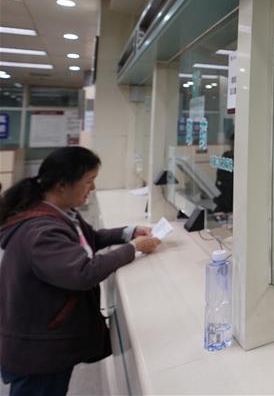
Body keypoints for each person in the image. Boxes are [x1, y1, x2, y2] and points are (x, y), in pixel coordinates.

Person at [0, 147, 161, 396]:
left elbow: (89, 239)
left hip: (45, 340)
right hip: (39, 350)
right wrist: (133, 248)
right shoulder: (41, 232)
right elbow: (83, 273)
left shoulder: (59, 212)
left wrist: (129, 232)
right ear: (62, 185)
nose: (93, 188)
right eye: (89, 181)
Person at [213, 133, 234, 214]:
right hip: (223, 201)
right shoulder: (226, 156)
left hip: (232, 202)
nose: (232, 147)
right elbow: (219, 179)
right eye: (231, 145)